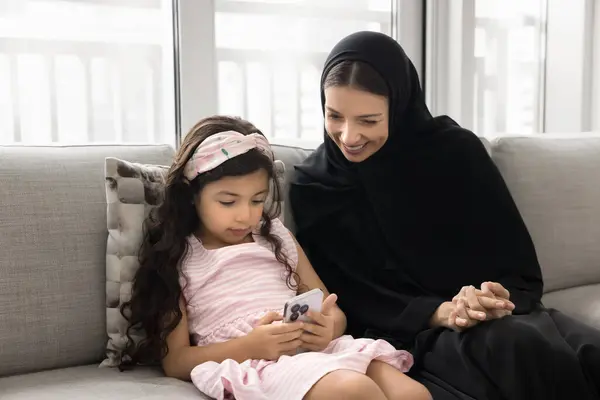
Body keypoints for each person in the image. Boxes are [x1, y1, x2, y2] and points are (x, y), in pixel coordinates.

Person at [289, 31, 600, 400]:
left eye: (368, 121)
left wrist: (490, 297)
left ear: (400, 106)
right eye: (334, 116)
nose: (349, 136)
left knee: (584, 353)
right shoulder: (315, 186)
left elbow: (517, 266)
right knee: (514, 348)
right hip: (408, 335)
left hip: (494, 318)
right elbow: (349, 295)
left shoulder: (456, 153)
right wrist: (437, 312)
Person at [120, 115, 431, 400]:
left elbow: (331, 307)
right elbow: (176, 361)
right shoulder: (178, 257)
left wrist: (329, 327)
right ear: (191, 195)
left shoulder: (276, 236)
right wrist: (252, 346)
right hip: (257, 360)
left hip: (316, 350)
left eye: (257, 200)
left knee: (413, 394)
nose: (245, 215)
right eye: (228, 202)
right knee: (354, 390)